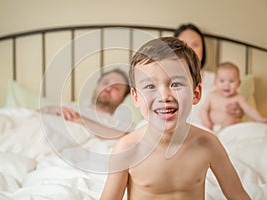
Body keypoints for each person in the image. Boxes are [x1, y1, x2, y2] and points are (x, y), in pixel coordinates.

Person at [100, 37, 250, 199]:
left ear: (196, 93)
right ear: (136, 97)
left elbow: (238, 195)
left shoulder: (208, 144)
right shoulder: (127, 149)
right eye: (150, 86)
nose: (164, 96)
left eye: (176, 84)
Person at [174, 23, 244, 120]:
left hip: (210, 130)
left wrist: (237, 111)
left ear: (203, 50)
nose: (189, 49)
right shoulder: (163, 78)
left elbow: (237, 107)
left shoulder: (220, 81)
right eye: (183, 44)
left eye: (195, 44)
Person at [40, 68, 132, 138]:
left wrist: (83, 121)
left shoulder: (121, 122)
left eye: (116, 88)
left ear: (123, 98)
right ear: (96, 86)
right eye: (105, 83)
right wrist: (50, 109)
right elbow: (31, 115)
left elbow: (129, 139)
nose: (108, 88)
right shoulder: (68, 107)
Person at [200, 62, 267, 132]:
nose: (227, 85)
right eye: (222, 81)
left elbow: (249, 110)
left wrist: (260, 119)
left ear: (239, 83)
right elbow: (204, 110)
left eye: (231, 81)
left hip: (232, 128)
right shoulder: (212, 95)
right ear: (215, 82)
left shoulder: (238, 98)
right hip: (213, 127)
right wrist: (206, 122)